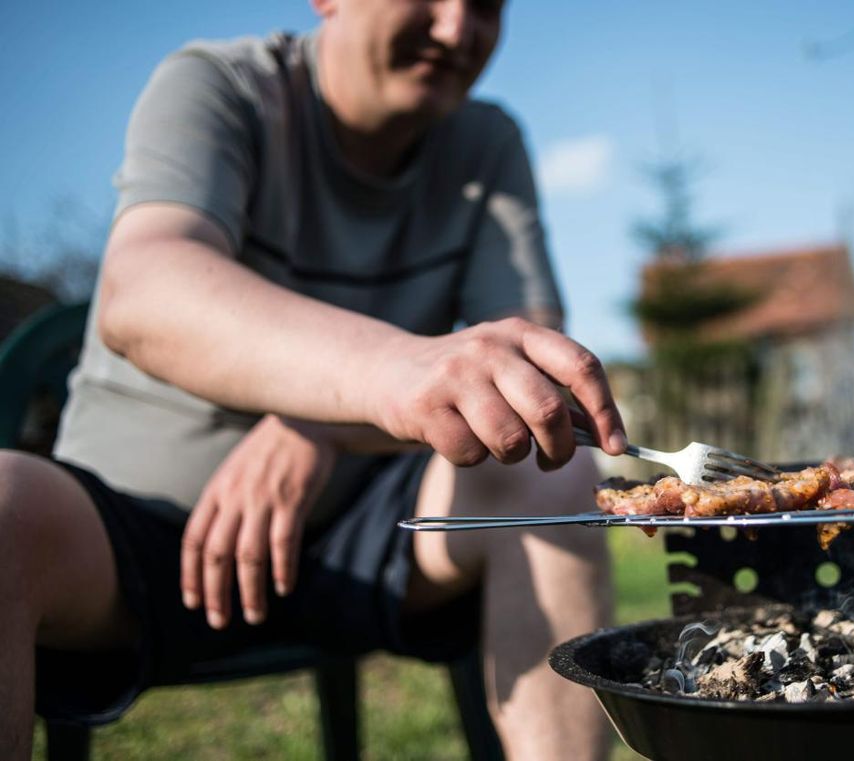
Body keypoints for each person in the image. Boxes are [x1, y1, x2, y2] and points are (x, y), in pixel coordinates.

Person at [0, 1, 628, 759]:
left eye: (488, 4)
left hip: (365, 534)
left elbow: (535, 385)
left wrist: (321, 422)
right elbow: (144, 292)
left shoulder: (486, 143)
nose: (458, 29)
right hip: (133, 532)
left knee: (548, 477)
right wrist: (387, 373)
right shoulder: (221, 87)